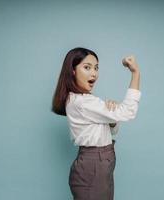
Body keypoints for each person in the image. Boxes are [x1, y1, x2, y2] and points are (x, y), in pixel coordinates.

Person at [51, 47, 141, 200]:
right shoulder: (82, 102)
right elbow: (128, 112)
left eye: (96, 68)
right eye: (87, 67)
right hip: (94, 163)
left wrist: (111, 118)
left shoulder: (82, 100)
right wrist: (135, 73)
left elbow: (110, 130)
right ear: (72, 71)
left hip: (100, 162)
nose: (94, 73)